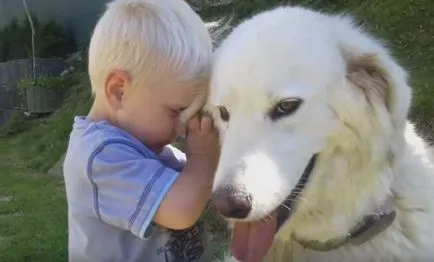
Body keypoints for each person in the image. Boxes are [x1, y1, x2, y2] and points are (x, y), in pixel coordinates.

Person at [62, 0, 219, 261]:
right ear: (119, 91)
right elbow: (181, 209)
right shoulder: (99, 154)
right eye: (176, 111)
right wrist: (203, 157)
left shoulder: (151, 148)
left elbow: (202, 186)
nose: (183, 129)